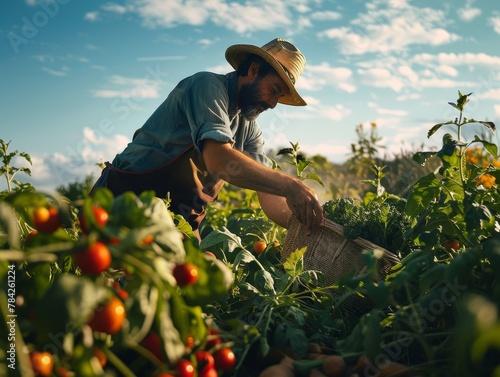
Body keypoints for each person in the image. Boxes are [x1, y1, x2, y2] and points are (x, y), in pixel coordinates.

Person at [90, 38, 324, 240]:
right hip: (125, 202)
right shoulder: (207, 87)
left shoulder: (248, 127)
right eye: (274, 90)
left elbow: (270, 196)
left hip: (176, 220)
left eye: (279, 97)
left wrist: (310, 223)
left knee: (209, 278)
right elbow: (219, 159)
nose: (273, 104)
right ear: (253, 71)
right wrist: (290, 184)